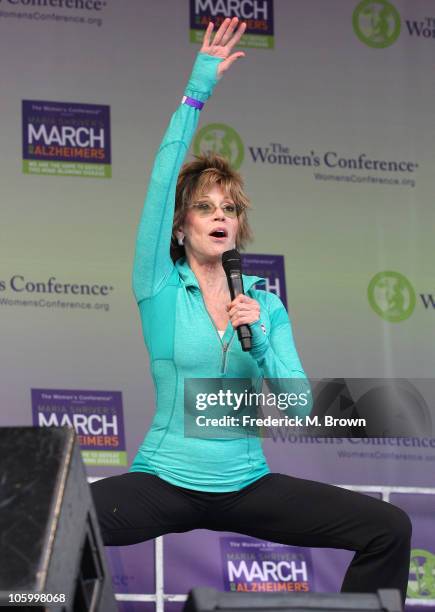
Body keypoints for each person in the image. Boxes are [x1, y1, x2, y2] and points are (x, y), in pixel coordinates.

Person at [91, 18, 411, 602]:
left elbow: (294, 406)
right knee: (53, 528)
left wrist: (260, 339)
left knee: (389, 528)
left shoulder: (263, 302)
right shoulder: (158, 285)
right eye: (206, 206)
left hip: (246, 483)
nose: (220, 215)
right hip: (164, 480)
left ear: (239, 224)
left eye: (231, 207)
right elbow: (164, 179)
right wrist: (196, 92)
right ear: (183, 224)